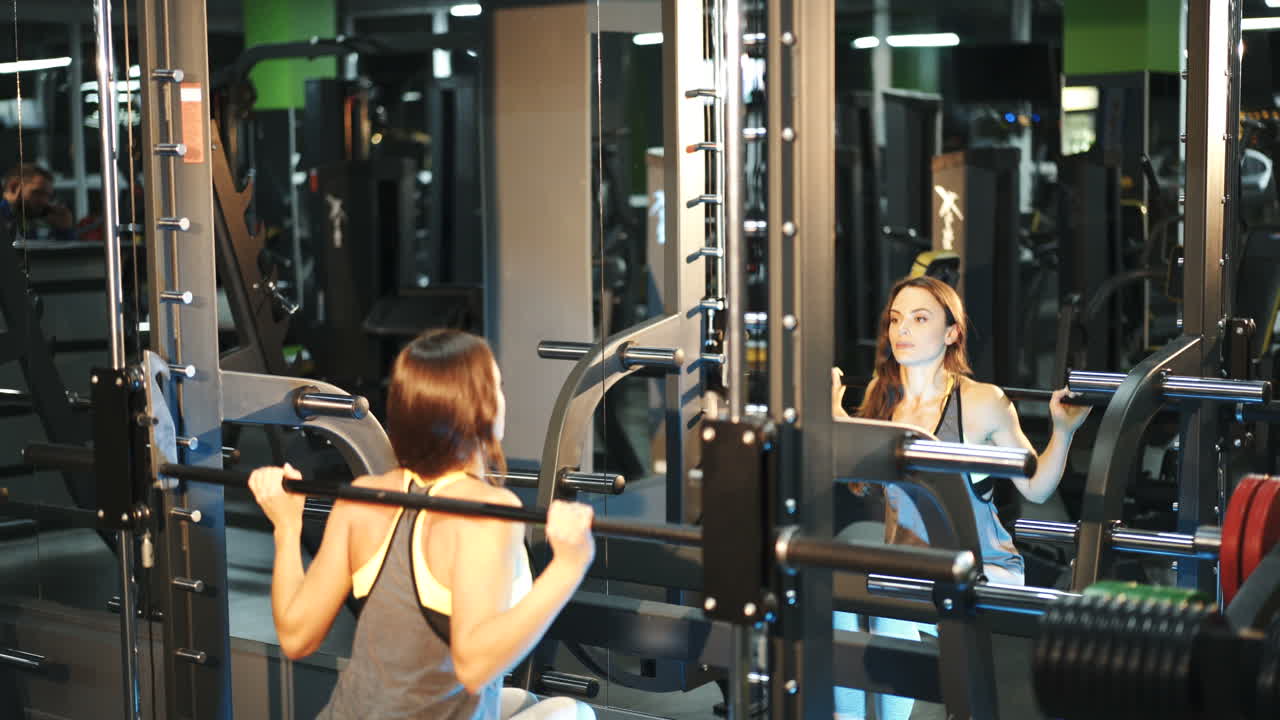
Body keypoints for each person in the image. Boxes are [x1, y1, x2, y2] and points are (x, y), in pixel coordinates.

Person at [249, 328, 596, 720]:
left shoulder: (364, 495)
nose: (503, 399)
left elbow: (296, 636)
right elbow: (475, 666)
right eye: (497, 386)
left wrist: (286, 526)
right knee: (573, 713)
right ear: (480, 407)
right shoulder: (488, 510)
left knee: (523, 703)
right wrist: (569, 566)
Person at [830, 275, 1091, 719]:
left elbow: (1037, 486)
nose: (902, 331)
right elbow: (858, 481)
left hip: (981, 569)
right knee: (836, 605)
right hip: (911, 568)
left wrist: (1063, 431)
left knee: (886, 613)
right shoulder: (883, 395)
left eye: (919, 318)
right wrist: (834, 414)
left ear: (951, 332)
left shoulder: (981, 402)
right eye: (896, 320)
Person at [0, 163, 75, 243]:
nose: (45, 202)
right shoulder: (8, 219)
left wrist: (64, 230)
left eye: (48, 196)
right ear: (14, 187)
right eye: (37, 193)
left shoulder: (26, 223)